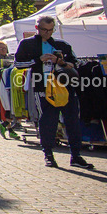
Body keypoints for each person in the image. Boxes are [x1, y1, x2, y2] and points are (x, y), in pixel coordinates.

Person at [14, 16, 94, 169]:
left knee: (72, 121)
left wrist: (61, 62)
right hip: (43, 87)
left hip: (65, 87)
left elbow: (76, 63)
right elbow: (18, 64)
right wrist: (39, 60)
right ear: (37, 28)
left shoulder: (62, 44)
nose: (48, 33)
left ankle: (76, 156)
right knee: (48, 122)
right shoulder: (27, 44)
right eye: (44, 30)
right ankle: (48, 154)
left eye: (51, 30)